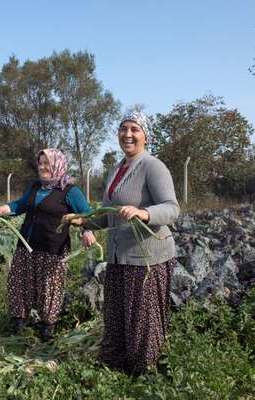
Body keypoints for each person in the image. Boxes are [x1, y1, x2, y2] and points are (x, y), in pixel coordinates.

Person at [63, 109, 179, 375]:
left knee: (141, 320)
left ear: (145, 136)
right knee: (116, 316)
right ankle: (114, 367)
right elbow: (106, 216)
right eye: (123, 129)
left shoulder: (153, 166)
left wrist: (144, 213)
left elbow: (172, 209)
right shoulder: (117, 169)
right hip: (119, 257)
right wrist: (83, 221)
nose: (128, 134)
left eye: (134, 130)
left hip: (146, 258)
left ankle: (143, 372)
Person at [0, 148, 94, 341]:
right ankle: (18, 326)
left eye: (47, 163)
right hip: (26, 244)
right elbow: (20, 205)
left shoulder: (70, 191)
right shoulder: (35, 186)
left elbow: (87, 215)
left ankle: (46, 329)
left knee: (49, 288)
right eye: (40, 163)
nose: (42, 167)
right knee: (18, 283)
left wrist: (87, 231)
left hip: (52, 249)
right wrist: (2, 209)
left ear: (57, 164)